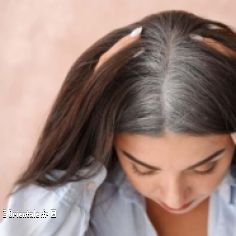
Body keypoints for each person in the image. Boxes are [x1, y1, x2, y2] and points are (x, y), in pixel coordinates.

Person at [1, 9, 236, 236]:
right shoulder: (82, 199)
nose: (174, 197)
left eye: (204, 168)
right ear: (111, 137)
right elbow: (17, 223)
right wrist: (85, 115)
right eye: (143, 169)